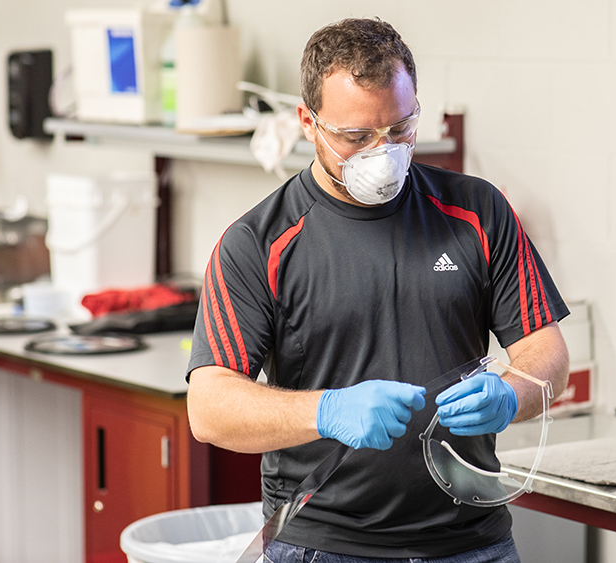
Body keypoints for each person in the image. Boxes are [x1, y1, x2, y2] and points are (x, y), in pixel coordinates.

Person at [186, 17, 570, 563]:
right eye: (357, 136)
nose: (383, 152)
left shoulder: (477, 213)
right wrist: (325, 411)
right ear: (308, 122)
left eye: (399, 129)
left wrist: (511, 394)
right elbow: (209, 408)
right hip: (323, 545)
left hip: (472, 543)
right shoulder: (257, 243)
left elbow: (547, 355)